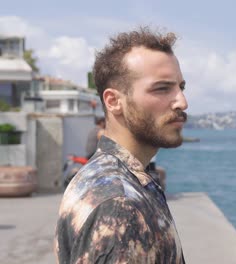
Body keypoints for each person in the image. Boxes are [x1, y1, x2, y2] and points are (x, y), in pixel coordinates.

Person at [54, 27, 188, 263]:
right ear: (114, 101)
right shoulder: (119, 204)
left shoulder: (105, 178)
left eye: (181, 87)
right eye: (162, 88)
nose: (182, 102)